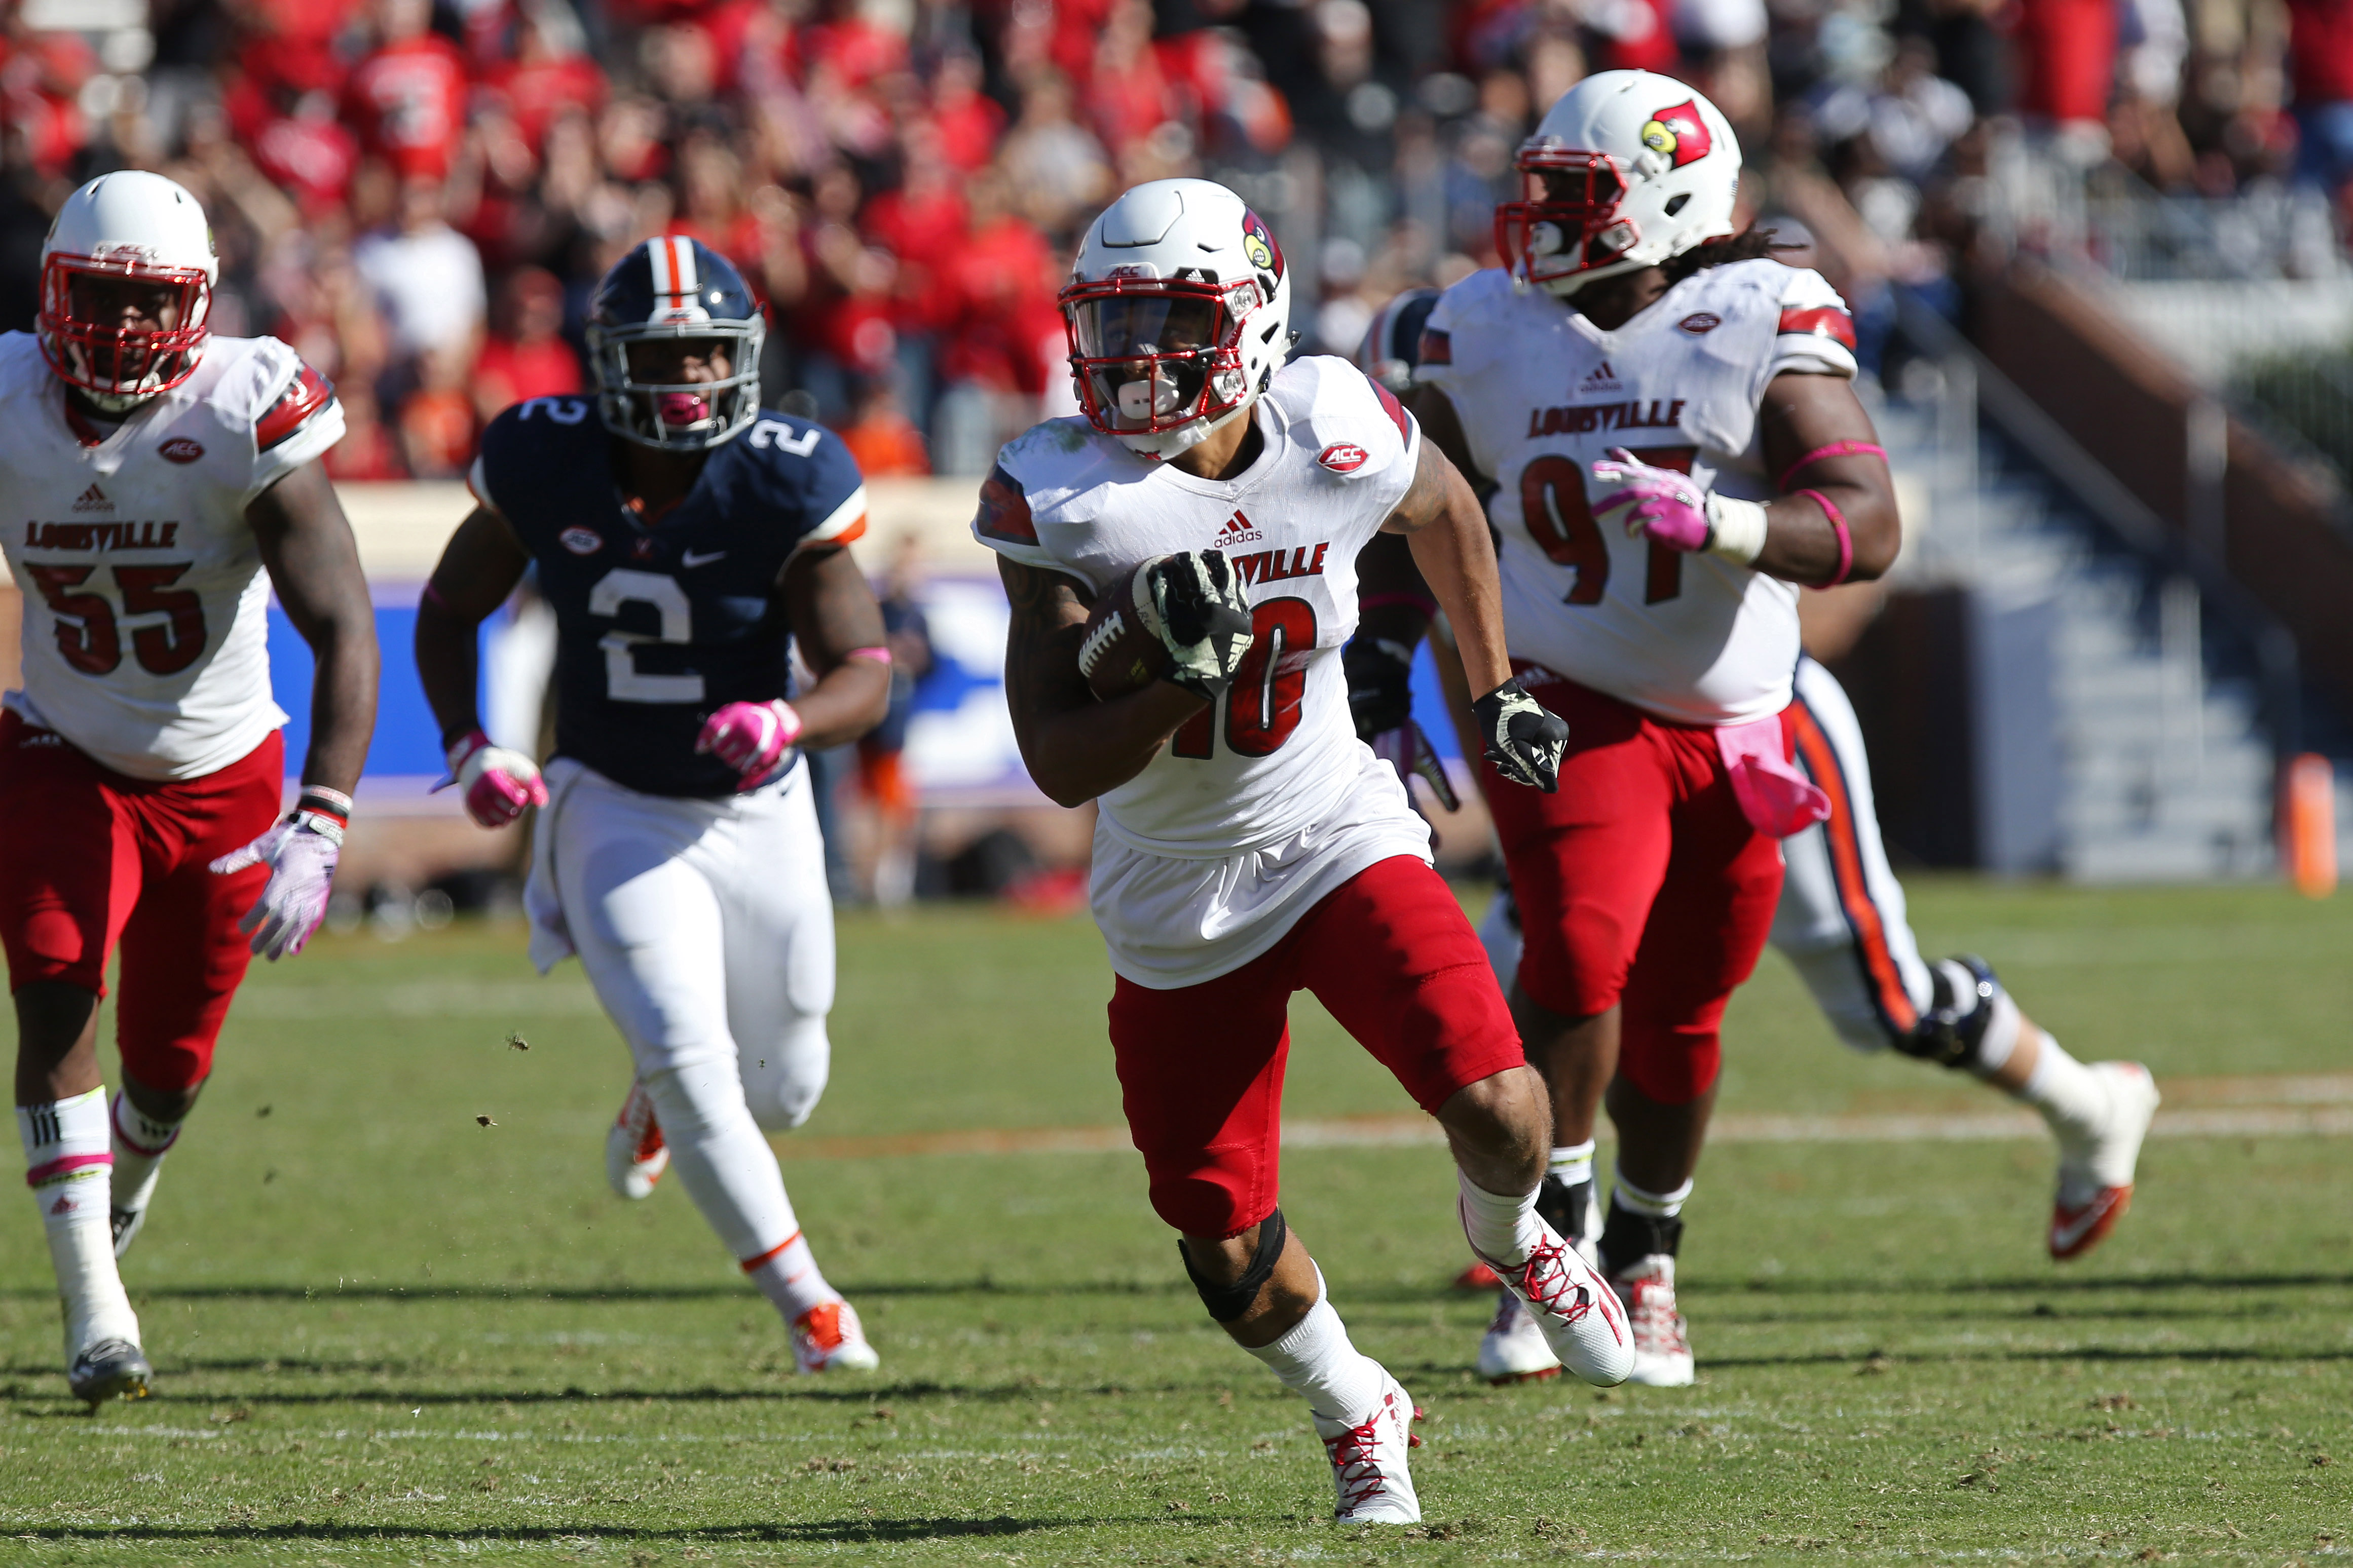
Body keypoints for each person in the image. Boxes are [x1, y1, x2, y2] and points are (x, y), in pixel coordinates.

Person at [1363, 73, 2159, 1389]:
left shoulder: (1752, 314)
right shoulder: (1472, 327)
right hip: (1566, 688)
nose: (1542, 223)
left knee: (1855, 1004)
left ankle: (2080, 1106)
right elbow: (1420, 514)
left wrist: (1724, 522)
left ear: (1670, 200)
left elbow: (1867, 523)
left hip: (1749, 718)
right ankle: (1551, 1258)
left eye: (1577, 198)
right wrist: (1385, 659)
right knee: (1570, 938)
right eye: (1540, 193)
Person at [975, 178, 1630, 1528]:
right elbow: (1056, 753)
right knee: (1222, 1247)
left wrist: (1493, 678)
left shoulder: (1333, 421)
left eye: (1171, 318)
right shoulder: (1060, 491)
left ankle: (1510, 1237)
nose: (1137, 353)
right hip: (1172, 889)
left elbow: (1444, 511)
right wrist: (1165, 681)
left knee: (1509, 1114)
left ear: (1252, 315)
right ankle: (1356, 1406)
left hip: (1330, 827)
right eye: (1115, 321)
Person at [413, 236, 893, 1376]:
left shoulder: (785, 472)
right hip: (611, 801)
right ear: (610, 363)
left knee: (789, 1086)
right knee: (692, 1054)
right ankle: (810, 1304)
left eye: (705, 354)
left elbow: (864, 670)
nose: (686, 378)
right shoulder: (544, 457)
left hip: (758, 807)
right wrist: (471, 744)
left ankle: (655, 1100)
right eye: (662, 354)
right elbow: (445, 610)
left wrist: (790, 720)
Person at [1, 171, 379, 1406]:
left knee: (168, 1067)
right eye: (96, 295)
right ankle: (95, 1317)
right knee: (56, 991)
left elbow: (344, 624)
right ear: (53, 288)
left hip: (221, 774)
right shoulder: (8, 400)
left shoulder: (244, 403)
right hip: (63, 743)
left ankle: (133, 1180)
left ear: (201, 305)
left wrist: (320, 818)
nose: (116, 328)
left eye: (144, 300)